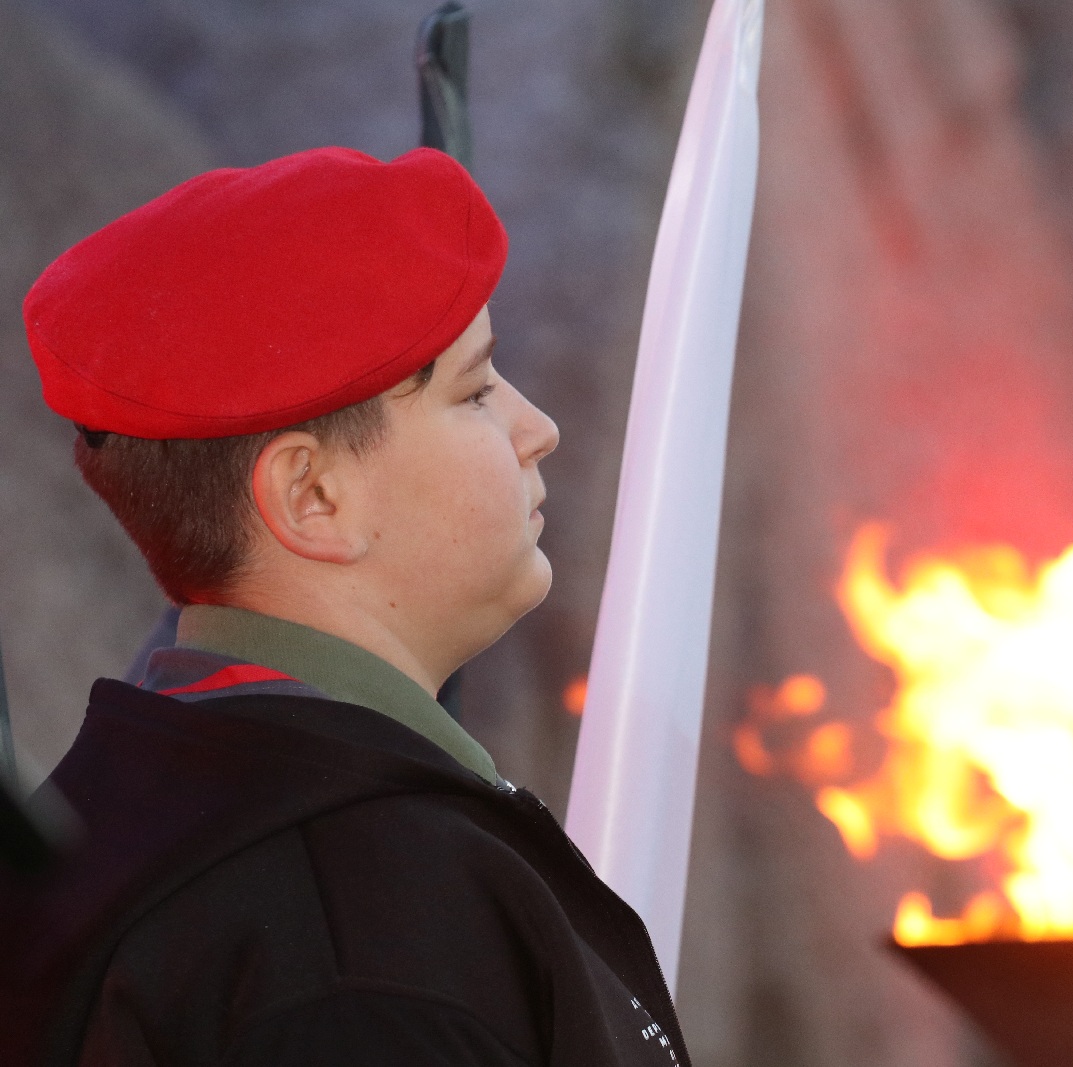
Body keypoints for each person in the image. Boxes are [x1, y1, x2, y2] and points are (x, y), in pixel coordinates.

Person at [0, 147, 688, 1067]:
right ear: (313, 497)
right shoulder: (362, 956)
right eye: (476, 390)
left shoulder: (130, 813)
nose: (538, 428)